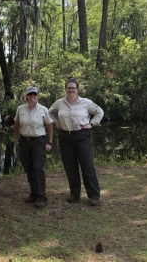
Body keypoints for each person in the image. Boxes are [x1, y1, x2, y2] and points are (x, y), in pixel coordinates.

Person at [48, 78, 104, 206]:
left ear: (77, 89)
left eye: (73, 88)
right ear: (65, 89)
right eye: (68, 88)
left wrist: (91, 123)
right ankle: (74, 194)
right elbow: (50, 112)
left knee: (88, 167)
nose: (71, 90)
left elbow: (99, 112)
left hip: (82, 136)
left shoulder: (86, 102)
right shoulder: (59, 103)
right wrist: (56, 122)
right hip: (65, 137)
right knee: (70, 167)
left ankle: (94, 195)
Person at [14, 86, 54, 208]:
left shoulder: (43, 109)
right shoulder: (20, 109)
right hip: (24, 141)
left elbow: (50, 126)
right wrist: (17, 138)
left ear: (37, 96)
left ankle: (42, 196)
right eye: (30, 95)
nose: (32, 97)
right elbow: (16, 124)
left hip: (38, 141)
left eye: (34, 95)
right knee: (28, 168)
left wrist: (49, 142)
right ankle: (34, 193)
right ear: (26, 96)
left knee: (38, 168)